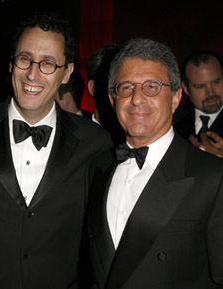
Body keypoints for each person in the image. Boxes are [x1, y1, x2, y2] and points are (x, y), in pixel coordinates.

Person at [0, 12, 112, 289]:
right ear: (11, 64)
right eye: (25, 59)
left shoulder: (96, 142)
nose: (32, 74)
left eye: (47, 63)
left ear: (67, 72)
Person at [85, 38, 223, 289]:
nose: (137, 99)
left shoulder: (214, 177)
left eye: (151, 87)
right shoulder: (96, 168)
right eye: (126, 87)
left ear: (175, 97)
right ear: (113, 99)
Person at [174, 50, 223, 156]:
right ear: (186, 89)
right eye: (200, 86)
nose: (211, 93)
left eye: (216, 82)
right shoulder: (171, 119)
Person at [86, 43, 125, 146]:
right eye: (112, 84)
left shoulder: (137, 138)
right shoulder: (73, 136)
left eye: (125, 86)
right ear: (92, 88)